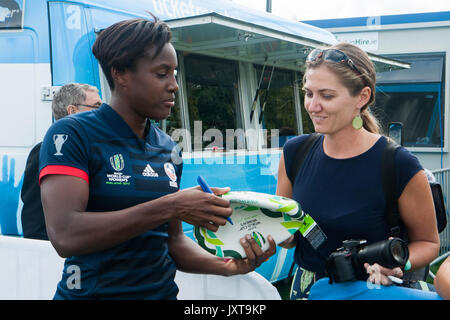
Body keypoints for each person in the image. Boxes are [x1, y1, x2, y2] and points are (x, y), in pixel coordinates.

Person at [39, 16, 276, 300]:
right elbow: (65, 235)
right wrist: (171, 205)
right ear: (121, 74)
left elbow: (173, 242)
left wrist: (228, 267)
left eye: (174, 73)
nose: (174, 85)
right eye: (162, 74)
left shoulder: (167, 147)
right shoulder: (72, 133)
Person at [276, 42, 440, 299]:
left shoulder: (398, 164)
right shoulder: (294, 153)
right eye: (309, 93)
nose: (313, 106)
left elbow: (429, 243)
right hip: (307, 291)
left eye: (326, 96)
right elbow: (289, 236)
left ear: (362, 97)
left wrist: (399, 265)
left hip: (372, 292)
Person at [21, 83, 102, 240]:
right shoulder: (46, 151)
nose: (103, 114)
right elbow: (34, 224)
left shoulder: (97, 150)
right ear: (73, 111)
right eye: (97, 107)